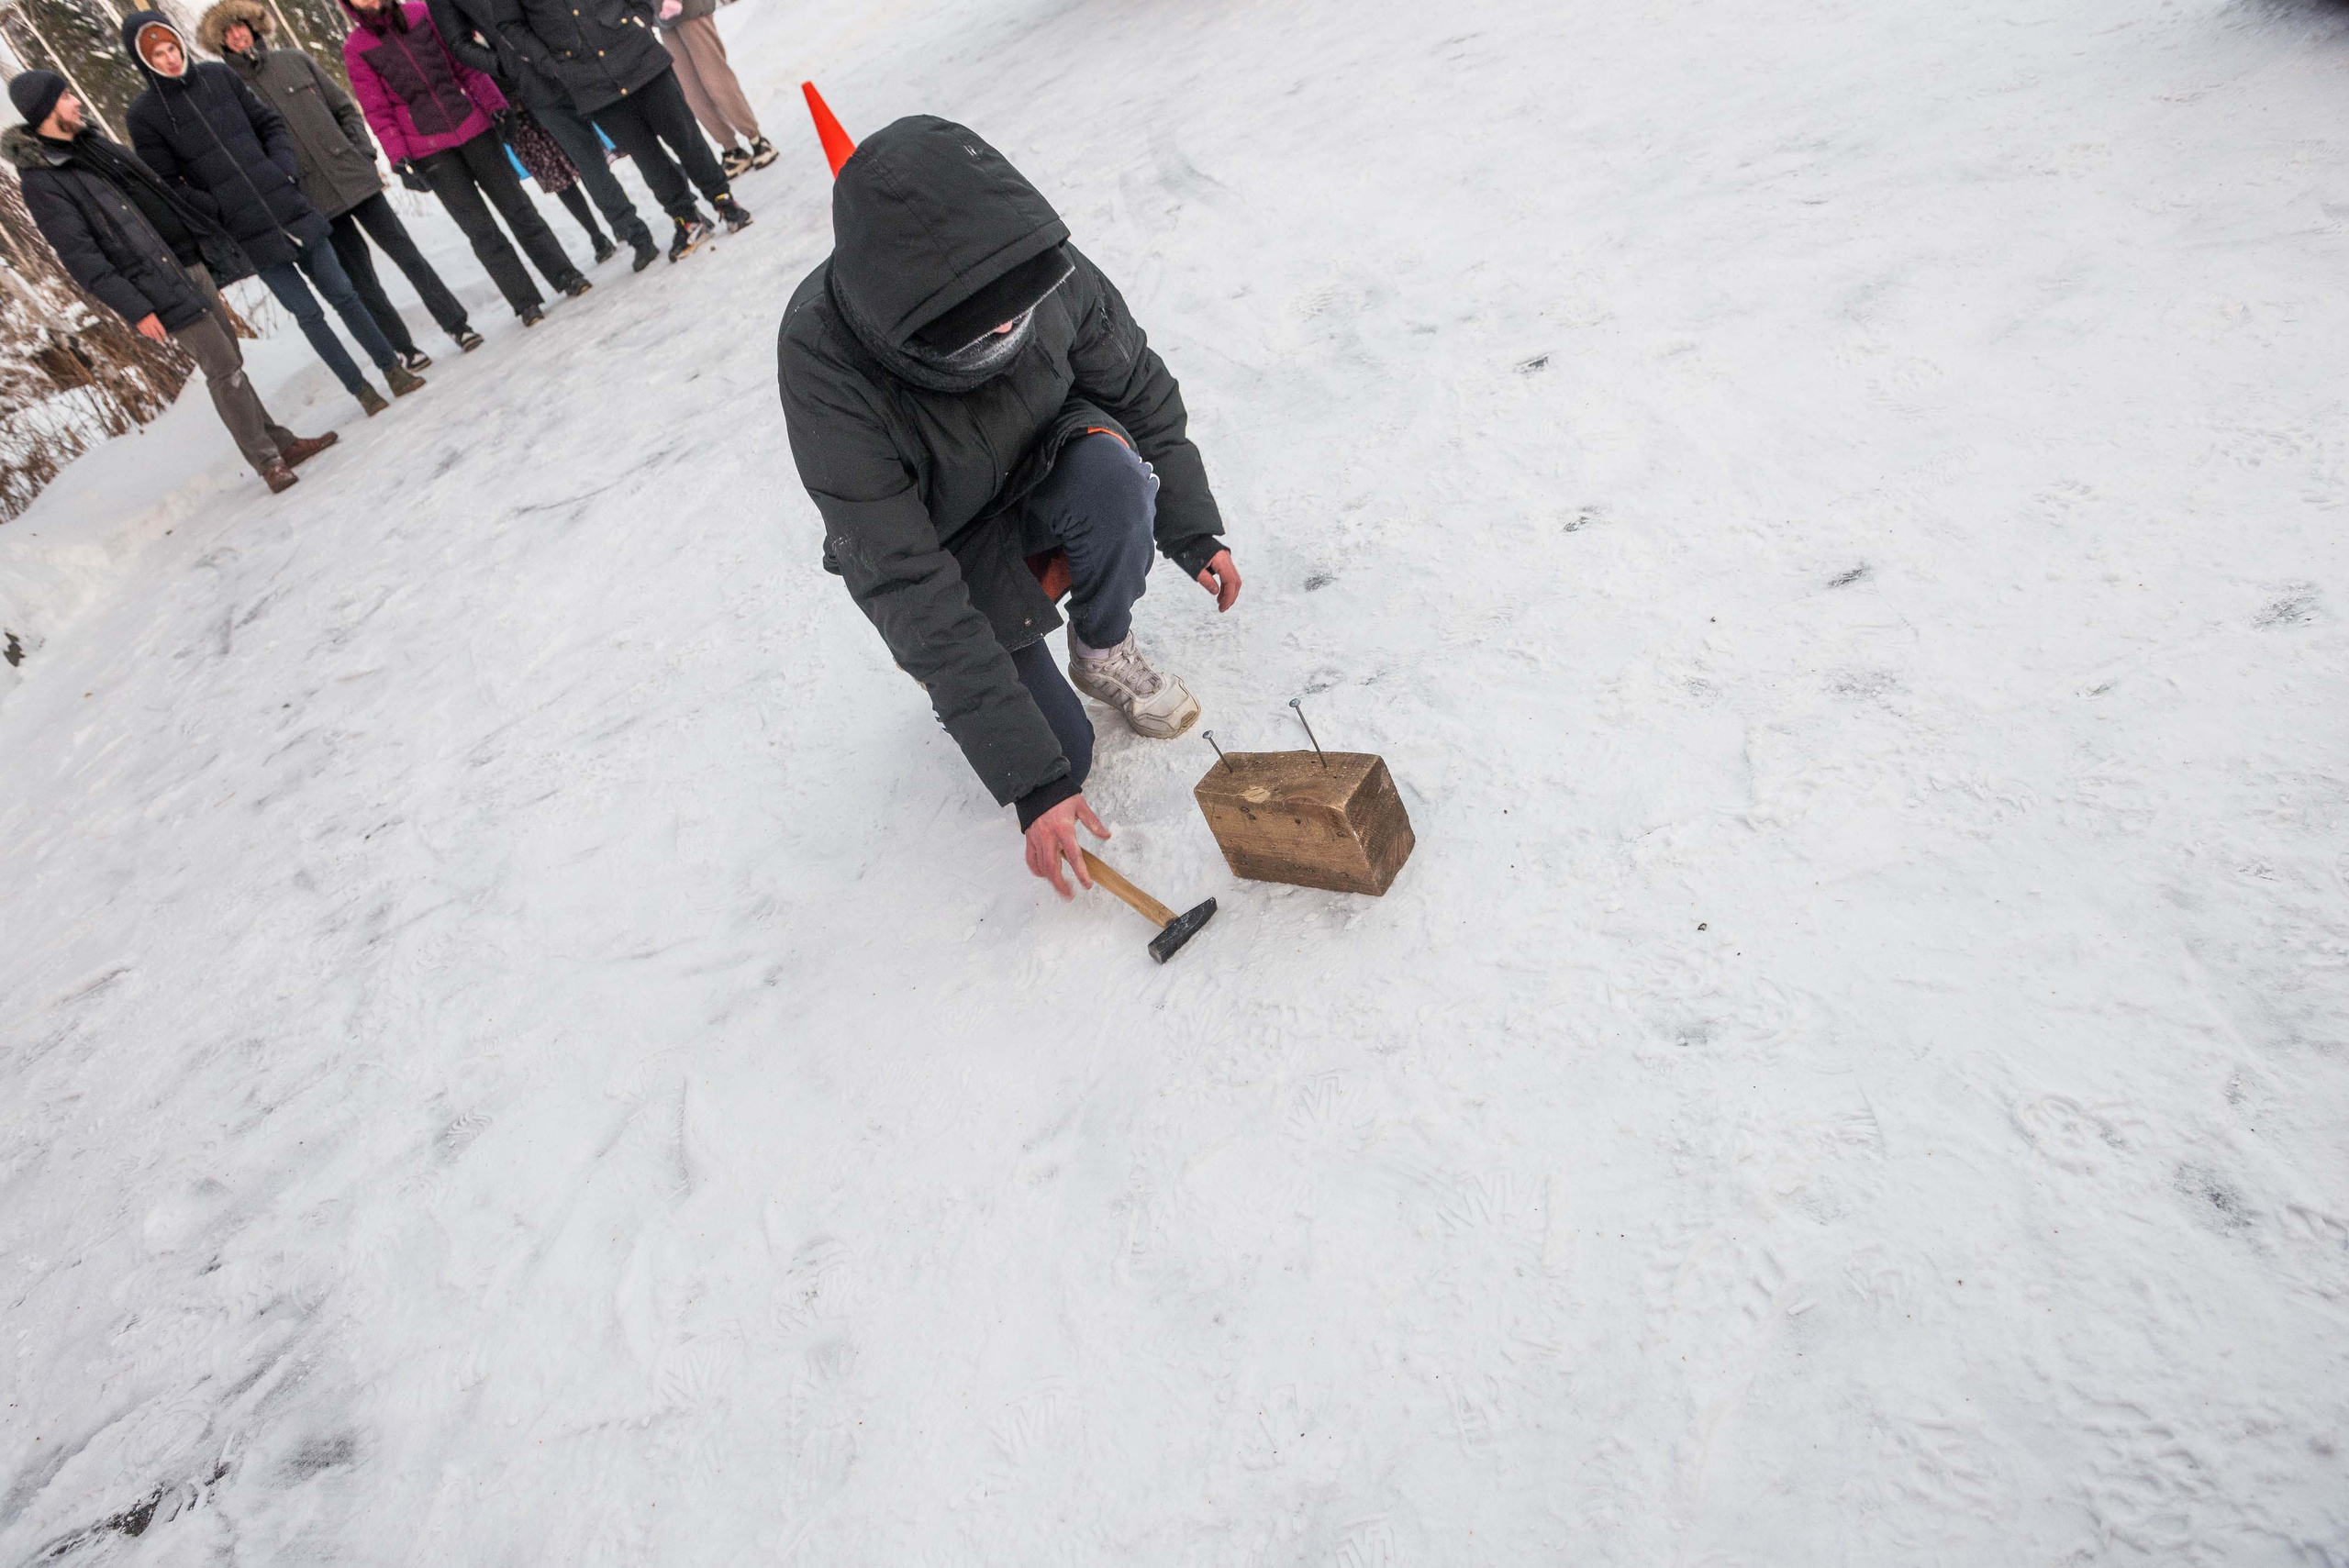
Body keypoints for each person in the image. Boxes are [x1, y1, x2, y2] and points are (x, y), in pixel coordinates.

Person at [776, 117, 1242, 899]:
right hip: (953, 542)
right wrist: (1030, 778)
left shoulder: (1038, 264)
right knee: (1062, 759)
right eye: (977, 322)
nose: (1004, 325)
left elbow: (1138, 387)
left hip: (1052, 465)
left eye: (1013, 309)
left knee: (1115, 476)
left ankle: (1102, 649)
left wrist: (1193, 527)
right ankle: (1004, 679)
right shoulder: (824, 363)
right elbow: (901, 578)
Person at [6, 73, 335, 494]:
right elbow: (81, 257)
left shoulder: (92, 145)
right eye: (67, 96)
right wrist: (137, 308)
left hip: (187, 263)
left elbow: (152, 191)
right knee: (223, 369)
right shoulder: (43, 180)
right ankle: (269, 460)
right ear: (45, 110)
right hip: (155, 285)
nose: (76, 102)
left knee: (230, 360)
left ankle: (278, 443)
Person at [121, 10, 423, 416]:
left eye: (172, 47)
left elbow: (270, 123)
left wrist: (280, 167)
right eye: (157, 54)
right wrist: (217, 209)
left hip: (290, 206)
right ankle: (361, 391)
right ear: (143, 60)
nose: (170, 58)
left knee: (345, 294)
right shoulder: (144, 116)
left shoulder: (219, 77)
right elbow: (167, 183)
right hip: (247, 233)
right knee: (309, 314)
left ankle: (392, 369)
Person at [195, 0, 480, 366]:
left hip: (354, 178)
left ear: (254, 27)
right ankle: (405, 349)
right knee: (362, 281)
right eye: (228, 32)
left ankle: (457, 325)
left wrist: (361, 152)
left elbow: (343, 107)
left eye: (242, 26)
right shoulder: (229, 91)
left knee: (408, 255)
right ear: (219, 42)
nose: (237, 35)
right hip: (312, 199)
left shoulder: (294, 60)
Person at [339, 0, 587, 328]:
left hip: (474, 125)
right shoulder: (357, 48)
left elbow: (464, 64)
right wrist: (399, 158)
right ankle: (524, 301)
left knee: (519, 208)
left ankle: (564, 274)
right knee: (480, 230)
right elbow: (377, 111)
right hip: (429, 148)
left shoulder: (421, 12)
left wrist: (495, 105)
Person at [486, 0, 750, 262]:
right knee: (647, 158)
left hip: (638, 54)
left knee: (686, 137)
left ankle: (722, 199)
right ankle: (686, 219)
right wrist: (550, 63)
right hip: (588, 81)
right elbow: (510, 24)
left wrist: (639, 19)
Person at [427, 0, 659, 272]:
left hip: (581, 55)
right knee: (586, 160)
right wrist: (503, 64)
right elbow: (458, 44)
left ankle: (682, 209)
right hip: (533, 79)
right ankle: (634, 233)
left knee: (634, 136)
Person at [653, 0, 772, 179]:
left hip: (690, 9)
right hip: (661, 17)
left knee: (716, 79)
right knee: (691, 91)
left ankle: (755, 138)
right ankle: (731, 148)